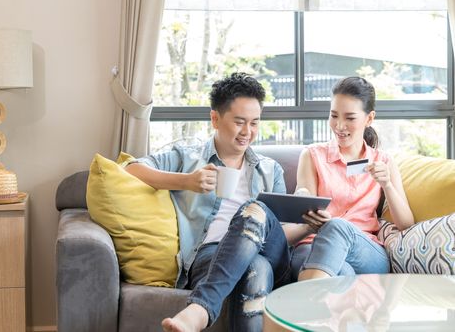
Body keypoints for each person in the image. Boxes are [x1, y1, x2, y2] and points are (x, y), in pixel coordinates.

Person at [125, 73, 313, 332]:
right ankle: (202, 308)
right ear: (215, 118)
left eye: (255, 123)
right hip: (211, 254)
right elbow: (130, 169)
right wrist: (187, 182)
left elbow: (280, 233)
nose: (247, 132)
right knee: (254, 268)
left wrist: (307, 227)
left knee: (256, 210)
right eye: (239, 122)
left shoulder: (271, 170)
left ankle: (200, 309)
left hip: (270, 254)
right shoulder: (188, 157)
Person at [291, 76, 414, 282]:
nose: (339, 125)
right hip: (314, 245)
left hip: (364, 250)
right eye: (334, 116)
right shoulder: (313, 155)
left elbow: (405, 223)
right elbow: (304, 201)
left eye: (350, 118)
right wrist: (302, 197)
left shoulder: (383, 161)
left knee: (338, 226)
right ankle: (316, 304)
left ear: (369, 118)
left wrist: (387, 185)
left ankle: (305, 303)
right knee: (343, 274)